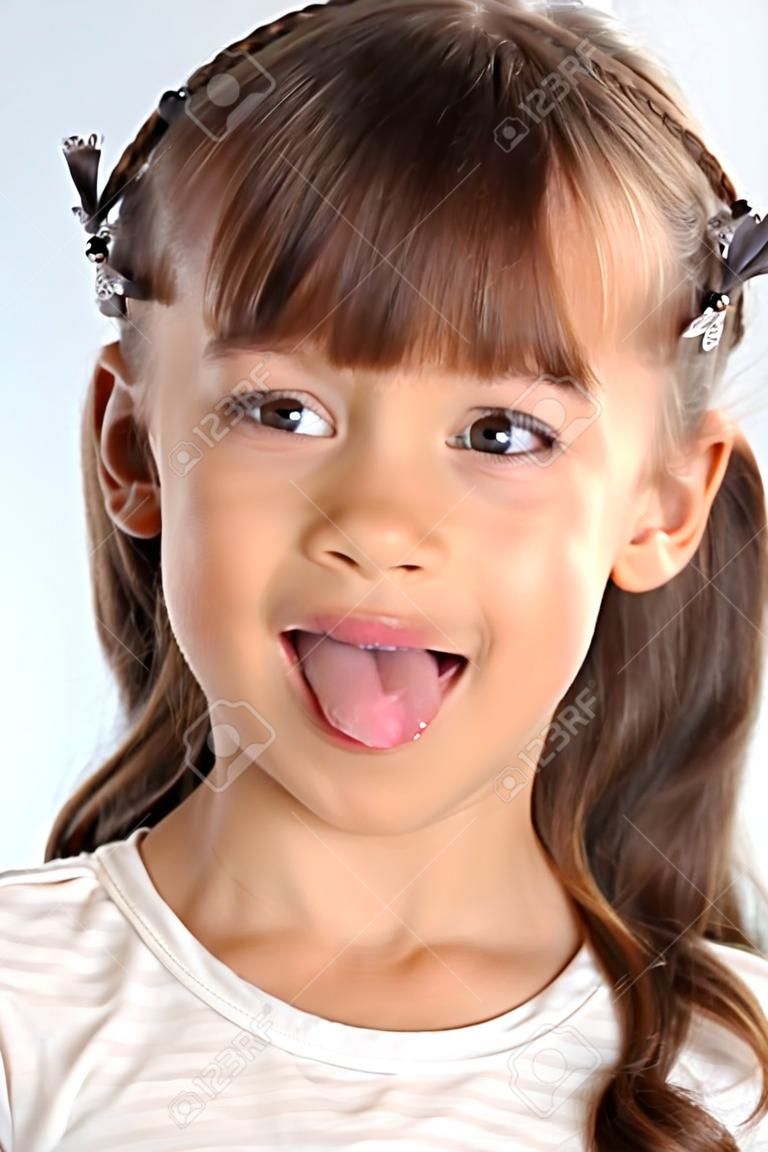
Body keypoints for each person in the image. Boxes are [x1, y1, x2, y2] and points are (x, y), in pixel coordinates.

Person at [3, 0, 768, 1148]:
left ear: (661, 505)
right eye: (283, 411)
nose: (379, 523)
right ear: (134, 446)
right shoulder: (23, 1021)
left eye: (503, 434)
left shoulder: (744, 1073)